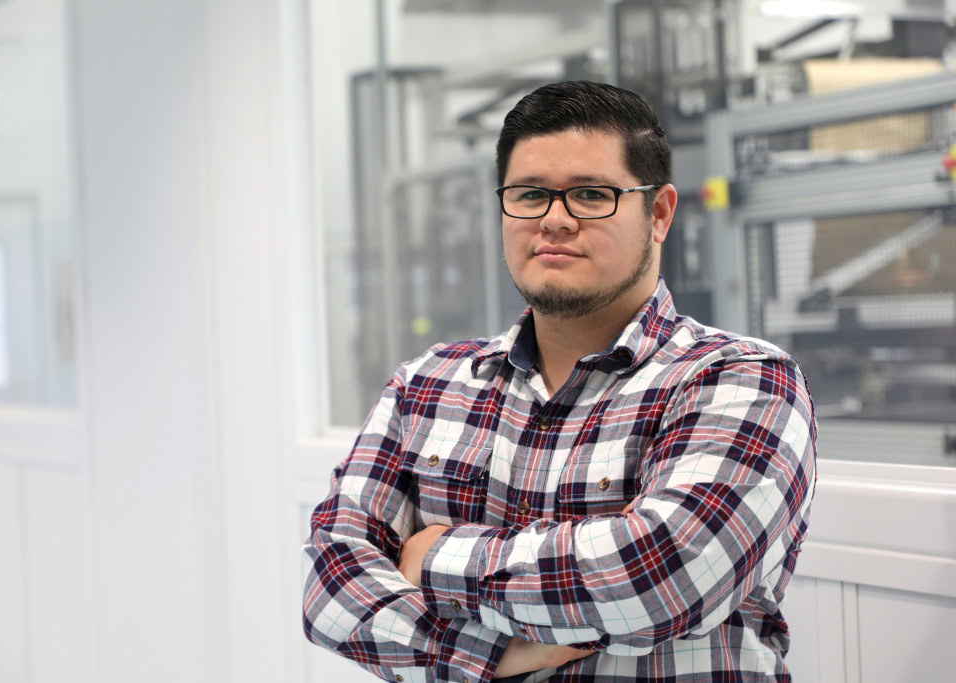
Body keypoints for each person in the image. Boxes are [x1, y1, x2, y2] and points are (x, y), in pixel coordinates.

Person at [303, 80, 816, 682]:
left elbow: (661, 576)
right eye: (529, 195)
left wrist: (431, 556)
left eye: (591, 195)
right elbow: (330, 588)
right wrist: (491, 658)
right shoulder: (428, 384)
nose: (554, 220)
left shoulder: (738, 380)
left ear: (658, 213)